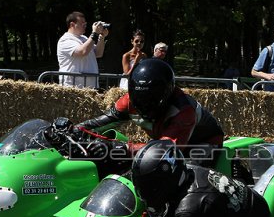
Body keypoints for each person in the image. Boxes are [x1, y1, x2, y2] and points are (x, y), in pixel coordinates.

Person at [132, 140, 270, 217]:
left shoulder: (187, 212)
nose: (144, 189)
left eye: (148, 184)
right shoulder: (190, 169)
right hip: (255, 202)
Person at [76, 58, 224, 161]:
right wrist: (76, 128)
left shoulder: (183, 110)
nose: (143, 104)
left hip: (201, 144)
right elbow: (103, 121)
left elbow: (164, 150)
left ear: (166, 94)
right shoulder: (129, 100)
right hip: (166, 142)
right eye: (139, 98)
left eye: (150, 98)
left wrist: (118, 148)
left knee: (189, 176)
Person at [56, 11, 108, 88]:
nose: (85, 26)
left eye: (85, 24)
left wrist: (102, 37)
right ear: (72, 25)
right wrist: (94, 34)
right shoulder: (65, 40)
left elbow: (98, 53)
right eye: (82, 23)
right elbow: (83, 51)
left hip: (90, 87)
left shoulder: (84, 38)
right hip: (73, 87)